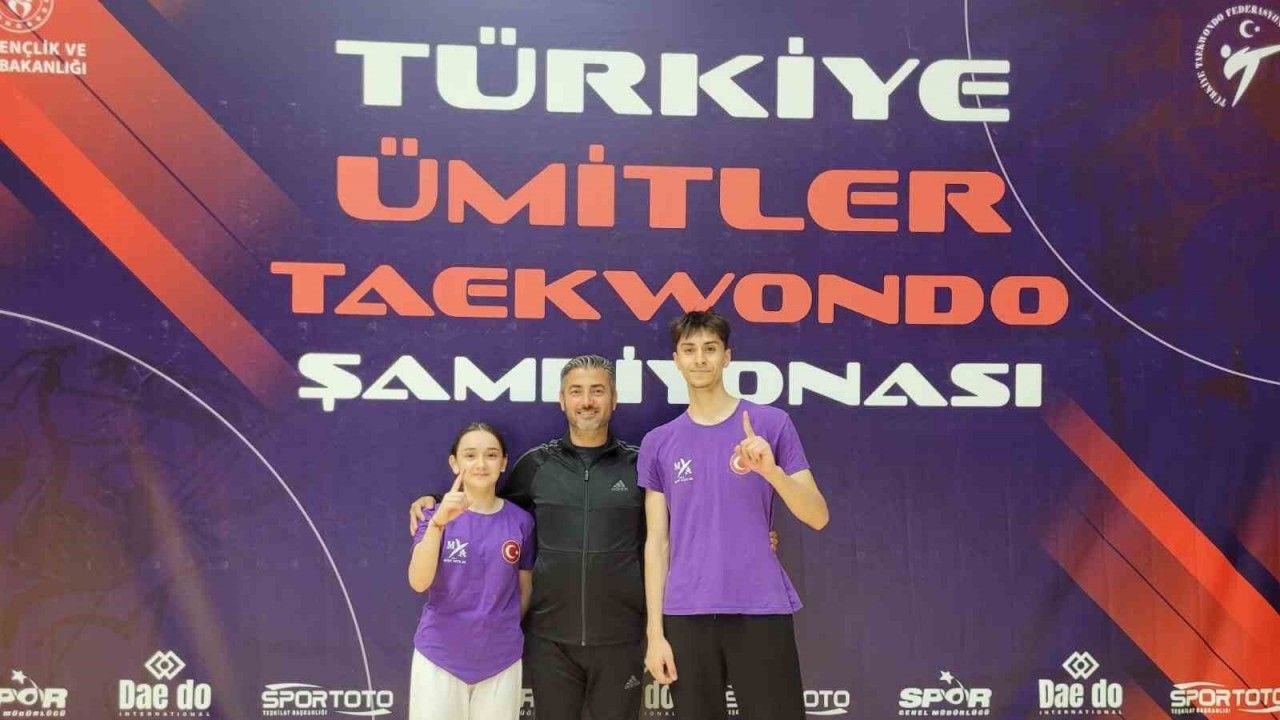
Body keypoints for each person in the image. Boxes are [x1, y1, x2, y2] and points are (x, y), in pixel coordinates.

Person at [410, 356, 648, 720]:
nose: (587, 401)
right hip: (550, 643)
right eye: (576, 391)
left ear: (614, 399)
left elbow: (671, 532)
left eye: (597, 391)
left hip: (621, 637)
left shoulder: (639, 465)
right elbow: (486, 502)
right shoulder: (536, 465)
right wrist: (433, 503)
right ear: (562, 400)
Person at [640, 310, 829, 720]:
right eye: (689, 350)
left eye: (710, 348)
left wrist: (772, 472)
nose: (700, 359)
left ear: (727, 356)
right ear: (676, 360)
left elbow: (817, 516)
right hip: (686, 613)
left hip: (759, 607)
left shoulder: (771, 424)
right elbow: (657, 543)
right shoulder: (658, 442)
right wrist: (655, 634)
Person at [407, 422, 534, 720]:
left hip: (500, 661)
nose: (481, 464)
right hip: (439, 658)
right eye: (470, 455)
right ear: (454, 463)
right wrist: (438, 524)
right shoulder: (432, 515)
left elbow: (524, 590)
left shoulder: (521, 522)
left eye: (491, 455)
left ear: (504, 462)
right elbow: (418, 582)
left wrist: (495, 631)